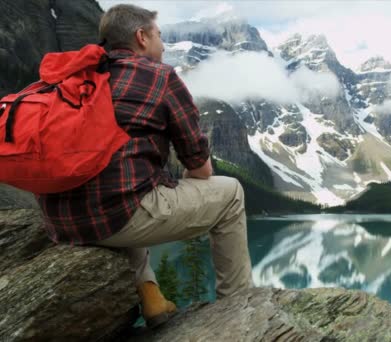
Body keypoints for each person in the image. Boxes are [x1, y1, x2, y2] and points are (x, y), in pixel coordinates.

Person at [36, 4, 253, 328]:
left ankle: (151, 294)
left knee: (124, 186)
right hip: (114, 217)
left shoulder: (78, 75)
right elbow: (201, 169)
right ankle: (238, 310)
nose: (163, 45)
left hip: (61, 220)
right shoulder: (160, 77)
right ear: (141, 37)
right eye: (159, 36)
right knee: (231, 192)